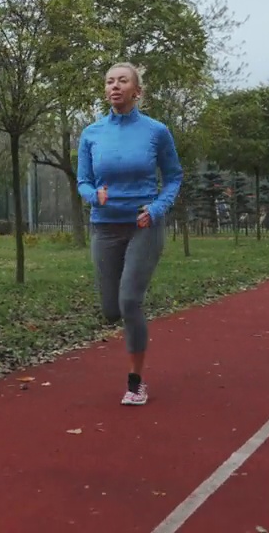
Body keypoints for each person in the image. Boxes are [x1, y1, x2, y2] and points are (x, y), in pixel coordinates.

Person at [76, 62, 183, 406]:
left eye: (122, 81)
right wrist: (95, 196)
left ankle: (136, 382)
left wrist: (155, 209)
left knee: (129, 301)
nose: (114, 86)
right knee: (111, 310)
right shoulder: (91, 133)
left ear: (137, 91)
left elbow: (174, 177)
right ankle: (129, 323)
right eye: (109, 81)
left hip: (143, 226)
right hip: (105, 226)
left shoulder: (156, 132)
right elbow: (83, 181)